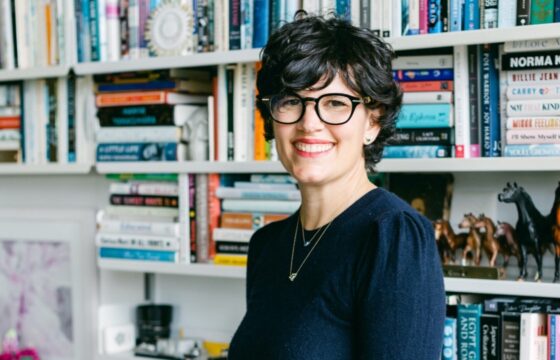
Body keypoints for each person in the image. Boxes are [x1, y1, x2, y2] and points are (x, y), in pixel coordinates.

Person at [228, 14, 445, 360]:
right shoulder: (266, 246)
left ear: (372, 121)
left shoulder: (394, 237)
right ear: (272, 118)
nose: (309, 123)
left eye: (335, 103)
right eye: (290, 101)